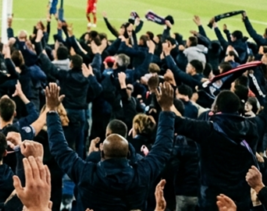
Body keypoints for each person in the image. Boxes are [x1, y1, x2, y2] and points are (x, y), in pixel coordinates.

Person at [46, 82, 175, 210]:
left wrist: (52, 110)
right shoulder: (141, 175)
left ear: (101, 153)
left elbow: (59, 149)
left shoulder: (87, 173)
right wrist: (166, 109)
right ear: (129, 153)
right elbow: (162, 149)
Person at [172, 65, 267, 211]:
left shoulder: (207, 129)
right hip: (241, 200)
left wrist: (165, 106)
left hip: (211, 201)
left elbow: (177, 123)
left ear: (216, 108)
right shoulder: (252, 127)